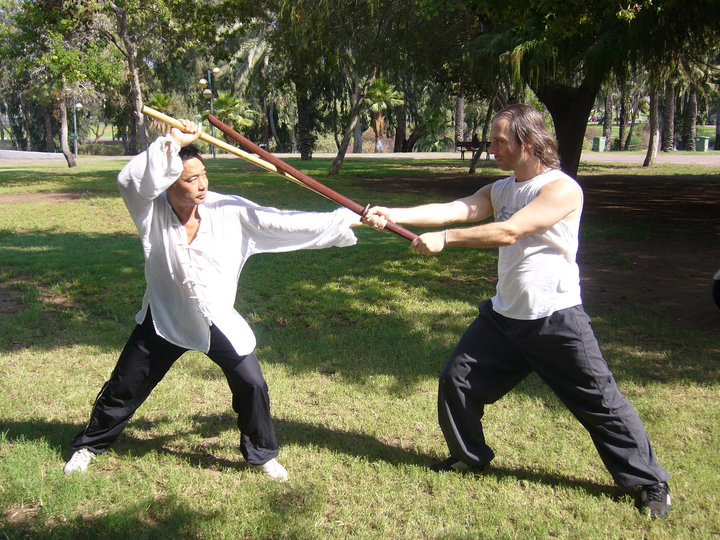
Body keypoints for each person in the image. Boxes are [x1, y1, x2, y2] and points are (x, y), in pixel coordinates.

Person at [363, 104, 672, 518]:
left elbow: (509, 231)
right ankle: (469, 456)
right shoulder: (502, 188)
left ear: (527, 142)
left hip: (555, 318)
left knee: (601, 403)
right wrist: (392, 214)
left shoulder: (561, 189)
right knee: (458, 379)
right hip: (504, 317)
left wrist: (446, 239)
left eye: (498, 141)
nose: (490, 147)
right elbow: (457, 208)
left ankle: (650, 482)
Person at [64, 120, 363, 481]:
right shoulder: (150, 211)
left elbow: (283, 222)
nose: (202, 184)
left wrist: (351, 219)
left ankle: (262, 453)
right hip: (164, 316)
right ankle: (90, 445)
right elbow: (130, 181)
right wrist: (172, 141)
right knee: (125, 384)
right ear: (168, 183)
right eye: (191, 179)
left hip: (215, 316)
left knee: (251, 382)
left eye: (204, 175)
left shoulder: (229, 210)